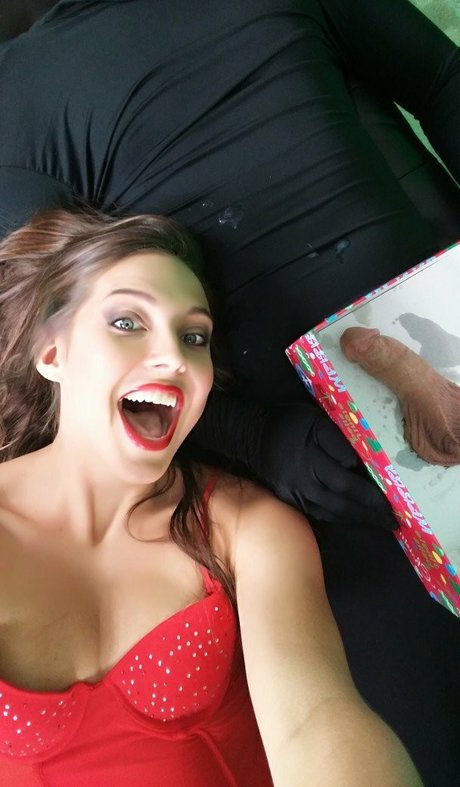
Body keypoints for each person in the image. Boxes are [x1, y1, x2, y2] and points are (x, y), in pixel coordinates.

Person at [0, 1, 459, 784]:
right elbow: (75, 329)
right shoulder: (16, 93)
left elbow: (442, 75)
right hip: (307, 470)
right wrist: (262, 441)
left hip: (438, 335)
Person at [0, 207, 423, 786]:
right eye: (126, 322)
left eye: (193, 336)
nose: (175, 357)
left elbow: (317, 719)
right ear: (52, 353)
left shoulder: (249, 530)